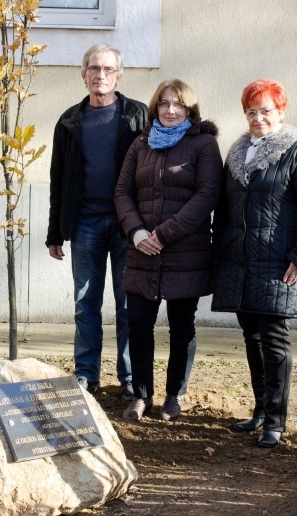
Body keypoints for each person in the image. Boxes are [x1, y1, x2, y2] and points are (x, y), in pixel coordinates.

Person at [211, 79, 297, 448]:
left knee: (274, 341)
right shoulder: (237, 154)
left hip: (278, 265)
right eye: (251, 111)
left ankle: (276, 420)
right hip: (240, 264)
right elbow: (225, 210)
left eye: (265, 110)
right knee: (252, 338)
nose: (258, 117)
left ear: (281, 112)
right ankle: (260, 411)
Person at [114, 79, 223, 422]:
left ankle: (174, 395)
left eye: (178, 104)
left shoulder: (203, 145)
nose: (170, 110)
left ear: (189, 109)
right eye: (164, 104)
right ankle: (141, 396)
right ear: (155, 108)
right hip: (142, 252)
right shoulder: (140, 144)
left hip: (184, 253)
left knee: (181, 326)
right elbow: (122, 192)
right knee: (139, 326)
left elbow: (207, 195)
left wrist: (163, 234)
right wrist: (136, 232)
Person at [46, 45, 147, 400]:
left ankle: (130, 377)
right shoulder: (69, 120)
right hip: (85, 223)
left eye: (107, 69)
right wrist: (55, 231)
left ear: (118, 75)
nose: (99, 75)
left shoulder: (137, 115)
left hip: (127, 225)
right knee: (85, 301)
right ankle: (86, 374)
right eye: (93, 68)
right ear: (83, 73)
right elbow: (58, 178)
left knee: (127, 303)